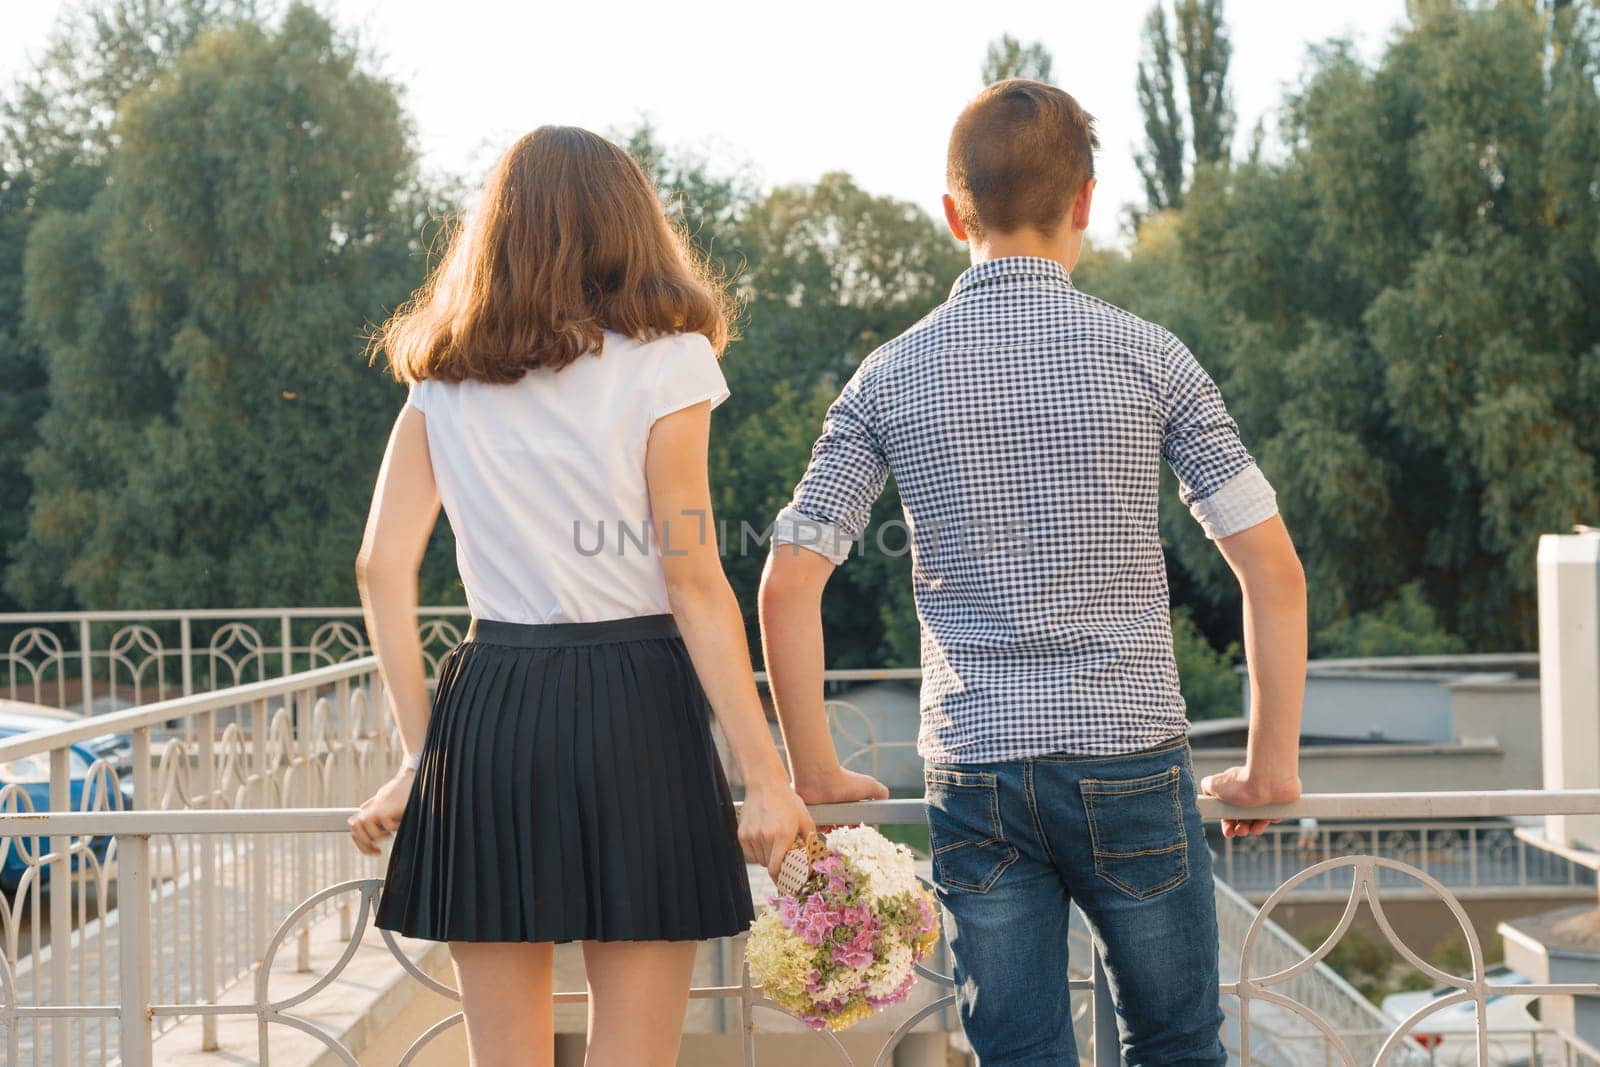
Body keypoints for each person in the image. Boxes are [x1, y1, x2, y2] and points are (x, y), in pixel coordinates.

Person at [758, 79, 1308, 1066]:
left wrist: (811, 766)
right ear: (1086, 201)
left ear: (950, 211)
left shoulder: (886, 375)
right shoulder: (1152, 357)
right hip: (1129, 756)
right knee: (1176, 1044)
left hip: (976, 771)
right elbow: (1272, 571)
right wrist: (1270, 760)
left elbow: (787, 581)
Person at [346, 125, 813, 1067]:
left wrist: (417, 750)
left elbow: (380, 567)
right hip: (635, 704)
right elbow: (690, 575)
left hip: (491, 707)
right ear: (628, 225)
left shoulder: (442, 376)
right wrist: (767, 776)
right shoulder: (667, 360)